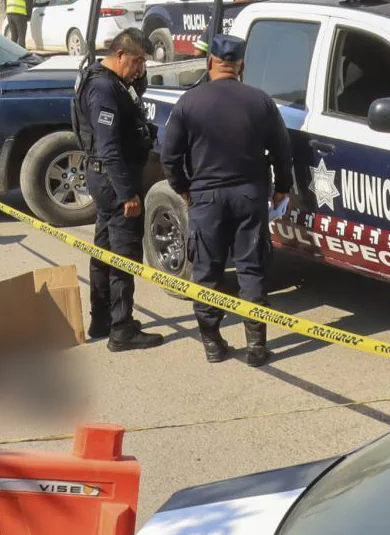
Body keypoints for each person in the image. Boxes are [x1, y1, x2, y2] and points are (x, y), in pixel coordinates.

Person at [159, 34, 294, 366]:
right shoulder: (260, 101)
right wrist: (282, 187)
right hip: (250, 196)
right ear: (241, 66)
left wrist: (183, 188)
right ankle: (257, 347)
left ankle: (213, 344)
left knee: (207, 272)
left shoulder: (190, 102)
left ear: (209, 64)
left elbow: (169, 155)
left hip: (206, 200)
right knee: (251, 269)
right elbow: (282, 149)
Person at [75, 29, 163, 351]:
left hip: (107, 178)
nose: (140, 67)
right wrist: (128, 193)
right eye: (137, 61)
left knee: (102, 250)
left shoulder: (111, 83)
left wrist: (138, 79)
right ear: (121, 55)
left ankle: (102, 320)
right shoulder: (103, 89)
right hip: (115, 179)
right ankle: (121, 328)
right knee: (122, 254)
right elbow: (109, 146)